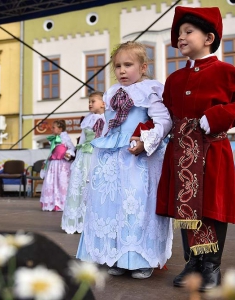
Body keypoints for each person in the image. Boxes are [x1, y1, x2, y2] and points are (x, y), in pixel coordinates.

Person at [156, 6, 235, 292]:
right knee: (186, 205)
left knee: (209, 207)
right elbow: (164, 114)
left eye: (188, 32)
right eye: (179, 34)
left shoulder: (227, 71)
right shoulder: (174, 79)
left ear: (209, 37)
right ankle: (193, 262)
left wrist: (216, 116)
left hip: (212, 152)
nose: (181, 38)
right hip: (182, 153)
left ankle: (211, 264)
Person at [76, 41, 173, 279]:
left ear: (143, 67)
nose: (121, 70)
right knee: (112, 205)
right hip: (111, 158)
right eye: (117, 66)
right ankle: (116, 255)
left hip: (136, 159)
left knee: (137, 205)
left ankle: (140, 258)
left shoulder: (151, 90)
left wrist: (147, 141)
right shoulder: (111, 93)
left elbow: (165, 122)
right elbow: (110, 122)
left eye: (128, 65)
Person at [61, 92, 105, 234]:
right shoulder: (87, 119)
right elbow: (81, 141)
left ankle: (94, 222)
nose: (90, 104)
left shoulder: (108, 119)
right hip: (84, 157)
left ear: (103, 103)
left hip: (97, 156)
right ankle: (76, 221)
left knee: (94, 188)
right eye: (89, 101)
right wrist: (75, 156)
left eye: (93, 101)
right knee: (79, 187)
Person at [40, 120, 75, 211]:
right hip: (53, 164)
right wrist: (46, 162)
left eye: (53, 127)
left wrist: (69, 153)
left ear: (60, 129)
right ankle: (52, 203)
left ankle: (61, 203)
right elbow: (52, 152)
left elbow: (72, 148)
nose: (52, 129)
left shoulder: (65, 138)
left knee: (61, 183)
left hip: (62, 165)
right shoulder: (54, 139)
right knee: (51, 183)